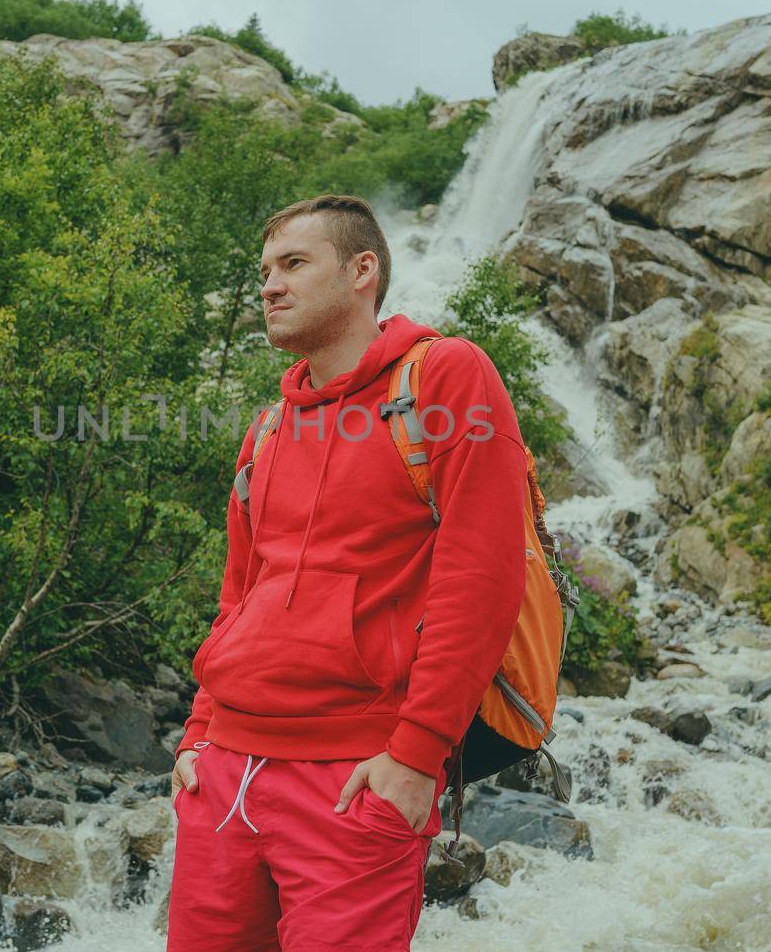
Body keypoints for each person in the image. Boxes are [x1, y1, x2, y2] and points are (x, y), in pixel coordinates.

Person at [165, 194, 528, 950]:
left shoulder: (443, 378)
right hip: (225, 771)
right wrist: (197, 735)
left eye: (294, 263)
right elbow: (239, 596)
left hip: (353, 776)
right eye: (264, 269)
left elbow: (482, 577)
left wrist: (416, 756)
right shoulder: (266, 429)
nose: (269, 284)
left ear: (362, 270)